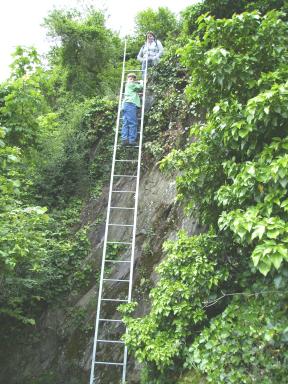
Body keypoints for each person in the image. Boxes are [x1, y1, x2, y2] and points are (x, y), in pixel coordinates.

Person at [121, 73, 144, 146]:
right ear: (127, 79)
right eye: (130, 79)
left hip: (126, 105)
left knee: (126, 123)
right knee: (133, 123)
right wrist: (141, 82)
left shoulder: (128, 86)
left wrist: (138, 95)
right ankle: (132, 140)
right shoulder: (131, 84)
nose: (132, 80)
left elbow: (133, 93)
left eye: (133, 79)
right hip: (130, 105)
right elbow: (141, 87)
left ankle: (124, 139)